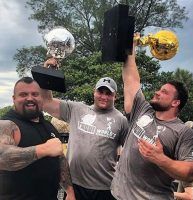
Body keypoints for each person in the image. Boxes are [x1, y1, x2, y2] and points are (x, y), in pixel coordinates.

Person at [110, 34, 193, 200]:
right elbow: (131, 80)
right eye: (159, 89)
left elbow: (190, 173)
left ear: (175, 103)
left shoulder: (184, 132)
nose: (157, 92)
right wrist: (131, 48)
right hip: (117, 195)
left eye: (164, 92)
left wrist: (160, 159)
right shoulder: (143, 110)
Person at [41, 59, 128, 200]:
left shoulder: (121, 120)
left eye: (109, 93)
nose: (104, 96)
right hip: (74, 186)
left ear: (115, 96)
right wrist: (47, 73)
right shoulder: (77, 109)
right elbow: (45, 103)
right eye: (101, 92)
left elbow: (130, 151)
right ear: (94, 92)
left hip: (105, 188)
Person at [0, 77, 75, 200]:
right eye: (23, 94)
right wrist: (43, 149)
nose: (30, 98)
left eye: (35, 94)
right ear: (14, 99)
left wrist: (70, 191)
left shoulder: (49, 126)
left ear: (41, 98)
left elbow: (60, 161)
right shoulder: (7, 124)